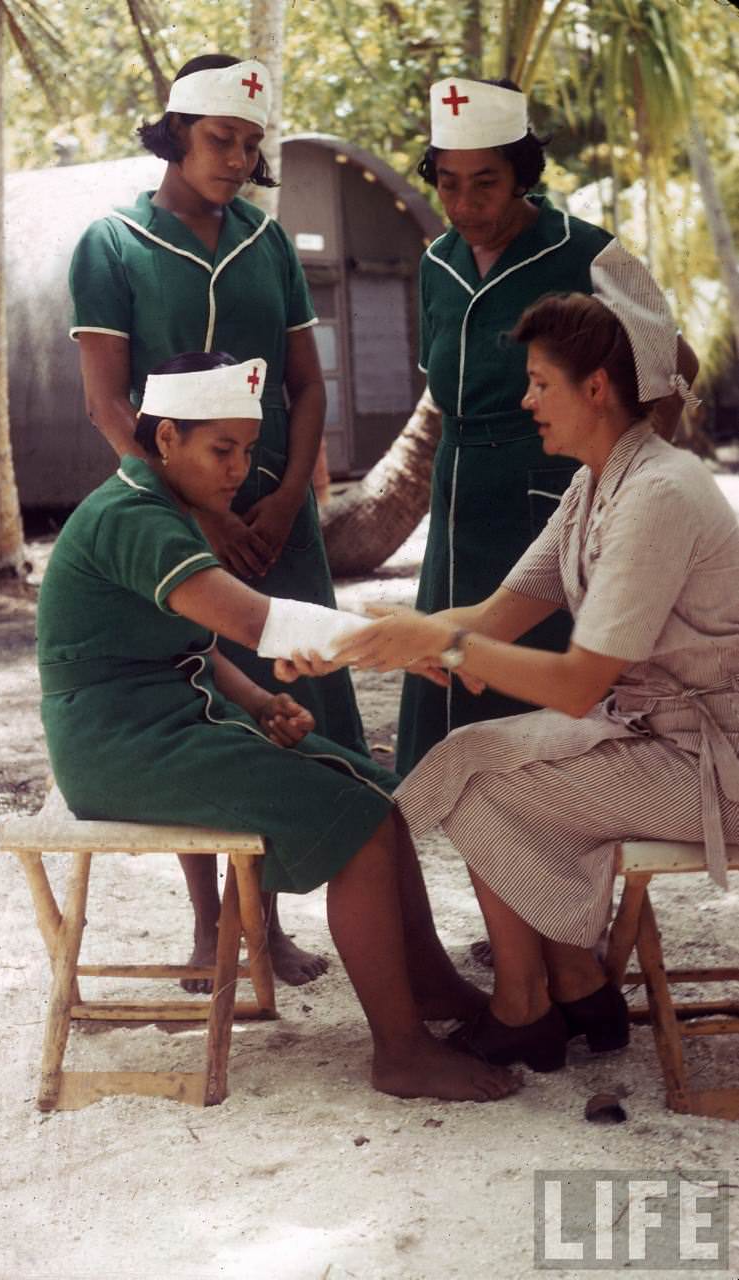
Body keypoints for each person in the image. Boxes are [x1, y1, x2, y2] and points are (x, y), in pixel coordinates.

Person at [288, 243, 739, 1072]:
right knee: (466, 755)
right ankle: (568, 988)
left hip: (712, 764)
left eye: (539, 382)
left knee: (481, 778)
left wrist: (443, 642)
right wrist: (347, 647)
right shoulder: (595, 485)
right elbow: (494, 615)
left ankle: (537, 997)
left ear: (596, 390)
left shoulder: (660, 494)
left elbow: (575, 683)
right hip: (652, 739)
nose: (526, 399)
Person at [36, 350, 518, 1103]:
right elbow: (255, 623)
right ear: (166, 440)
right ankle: (399, 1053)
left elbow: (192, 645)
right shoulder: (135, 518)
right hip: (120, 747)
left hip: (158, 723)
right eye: (220, 449)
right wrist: (400, 642)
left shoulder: (159, 505)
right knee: (352, 822)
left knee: (377, 794)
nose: (237, 469)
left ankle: (430, 988)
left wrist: (260, 704)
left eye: (247, 451)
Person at [68, 53, 367, 988]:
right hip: (178, 515)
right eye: (218, 139)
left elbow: (307, 384)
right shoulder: (111, 242)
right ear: (173, 133)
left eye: (250, 144)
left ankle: (266, 923)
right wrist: (189, 502)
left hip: (276, 514)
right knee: (194, 693)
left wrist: (283, 501)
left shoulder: (264, 242)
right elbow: (107, 406)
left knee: (284, 696)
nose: (236, 159)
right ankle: (211, 928)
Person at [396, 74, 698, 777]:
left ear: (522, 176)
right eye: (447, 184)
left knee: (548, 721)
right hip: (457, 499)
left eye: (485, 184)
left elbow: (670, 368)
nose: (465, 205)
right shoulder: (435, 264)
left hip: (552, 498)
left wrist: (623, 487)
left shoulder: (588, 254)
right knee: (449, 684)